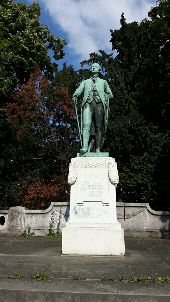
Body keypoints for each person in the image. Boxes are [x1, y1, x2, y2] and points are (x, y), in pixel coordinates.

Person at [72, 63, 113, 154]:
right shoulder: (85, 82)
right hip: (88, 104)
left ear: (99, 69)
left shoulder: (103, 82)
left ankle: (98, 148)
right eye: (92, 67)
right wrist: (75, 95)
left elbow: (110, 94)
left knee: (98, 127)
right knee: (86, 124)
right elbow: (79, 90)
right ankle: (85, 146)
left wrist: (106, 96)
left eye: (95, 67)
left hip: (99, 104)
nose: (93, 68)